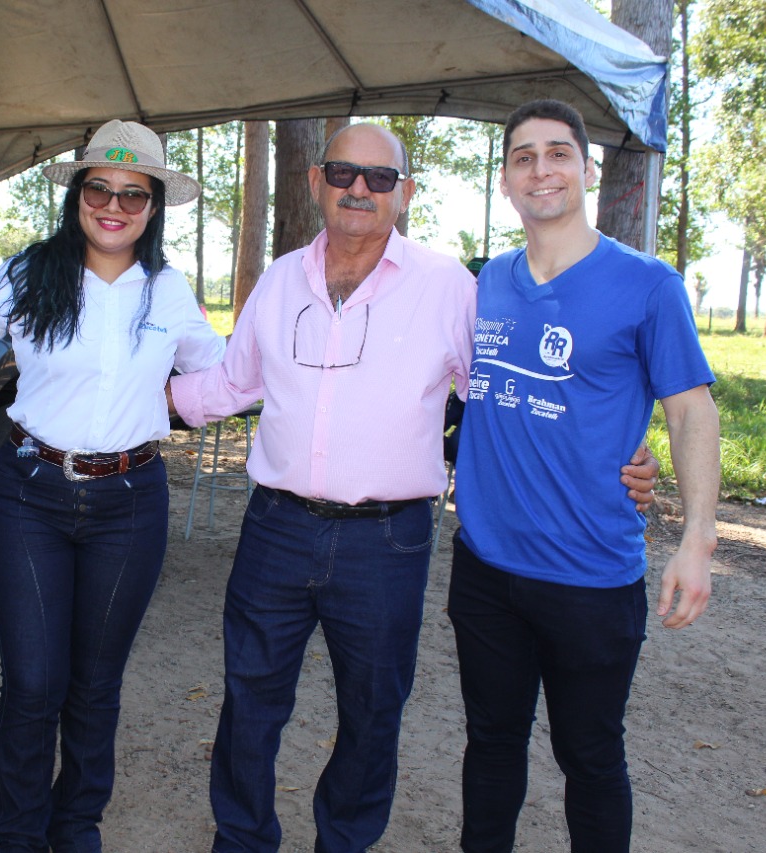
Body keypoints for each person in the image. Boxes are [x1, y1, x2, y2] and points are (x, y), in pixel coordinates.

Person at [167, 122, 659, 853]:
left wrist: (618, 452)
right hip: (275, 529)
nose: (359, 189)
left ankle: (344, 842)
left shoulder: (449, 287)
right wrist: (135, 405)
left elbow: (509, 392)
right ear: (316, 181)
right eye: (342, 173)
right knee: (249, 700)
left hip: (386, 541)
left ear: (406, 193)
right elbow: (234, 383)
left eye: (380, 178)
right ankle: (240, 840)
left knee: (373, 712)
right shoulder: (278, 280)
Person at [0, 119, 225, 852]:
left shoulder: (168, 292)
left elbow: (222, 370)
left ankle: (76, 831)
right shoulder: (30, 272)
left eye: (133, 194)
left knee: (95, 686)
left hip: (130, 503)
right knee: (35, 682)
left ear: (154, 207)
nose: (114, 206)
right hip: (27, 494)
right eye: (99, 188)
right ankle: (18, 836)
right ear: (77, 195)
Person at [448, 99, 719, 853]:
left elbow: (691, 411)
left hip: (591, 575)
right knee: (491, 743)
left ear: (588, 170)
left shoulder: (648, 284)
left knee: (591, 757)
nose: (542, 170)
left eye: (559, 153)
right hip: (485, 566)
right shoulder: (486, 282)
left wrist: (698, 538)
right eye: (524, 157)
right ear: (506, 179)